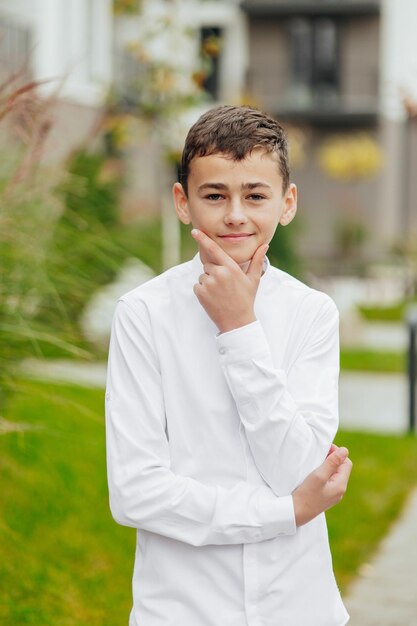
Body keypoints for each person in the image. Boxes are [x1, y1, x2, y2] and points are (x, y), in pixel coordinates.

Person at [105, 105, 352, 626]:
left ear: (287, 204)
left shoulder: (312, 313)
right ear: (182, 202)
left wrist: (239, 328)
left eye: (255, 195)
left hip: (299, 606)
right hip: (183, 609)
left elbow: (297, 468)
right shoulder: (144, 314)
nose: (236, 214)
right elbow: (136, 494)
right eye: (215, 195)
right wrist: (282, 512)